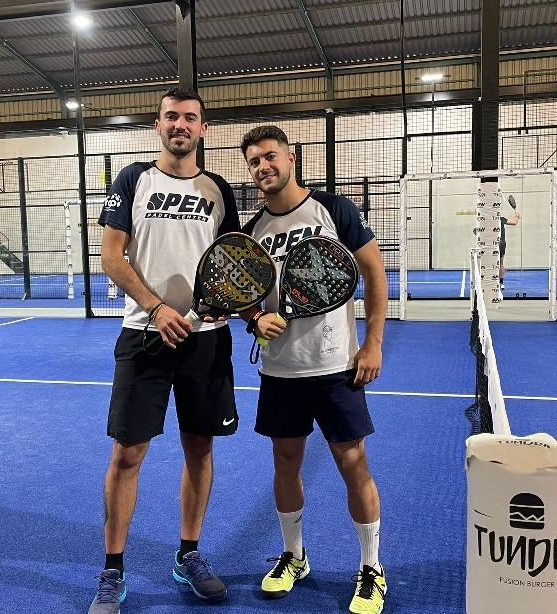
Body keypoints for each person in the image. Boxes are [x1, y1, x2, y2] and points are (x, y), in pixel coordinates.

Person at [89, 87, 240, 614]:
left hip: (205, 343)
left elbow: (232, 262)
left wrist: (227, 306)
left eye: (190, 118)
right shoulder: (133, 179)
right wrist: (156, 308)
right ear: (158, 126)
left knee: (200, 448)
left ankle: (188, 554)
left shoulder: (219, 190)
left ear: (203, 128)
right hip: (144, 337)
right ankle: (112, 570)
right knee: (127, 453)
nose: (181, 125)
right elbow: (111, 257)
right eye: (171, 117)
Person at [240, 126, 388, 614]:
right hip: (280, 371)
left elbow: (374, 272)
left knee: (353, 463)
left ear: (291, 158)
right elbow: (244, 296)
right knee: (285, 464)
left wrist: (372, 343)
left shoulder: (333, 210)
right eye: (254, 161)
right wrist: (255, 318)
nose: (263, 167)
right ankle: (294, 556)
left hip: (336, 367)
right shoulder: (253, 230)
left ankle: (371, 567)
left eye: (270, 156)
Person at [499, 207, 521, 297]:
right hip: (501, 244)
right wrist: (517, 216)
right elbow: (514, 222)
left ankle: (491, 282)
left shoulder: (487, 221)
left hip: (491, 244)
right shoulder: (500, 219)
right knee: (501, 263)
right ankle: (501, 283)